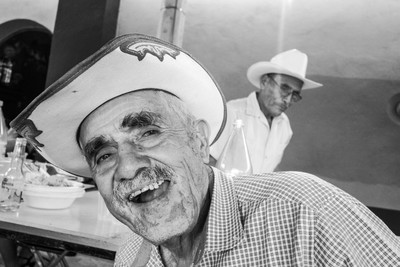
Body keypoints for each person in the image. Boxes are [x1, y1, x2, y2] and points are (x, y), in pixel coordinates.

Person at [10, 34, 400, 266]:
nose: (126, 168)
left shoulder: (305, 212)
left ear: (199, 140)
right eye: (104, 155)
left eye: (147, 132)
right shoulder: (133, 255)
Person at [210, 49, 323, 173]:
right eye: (284, 88)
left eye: (295, 95)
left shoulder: (284, 126)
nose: (288, 99)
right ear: (264, 82)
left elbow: (268, 168)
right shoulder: (232, 113)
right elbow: (210, 162)